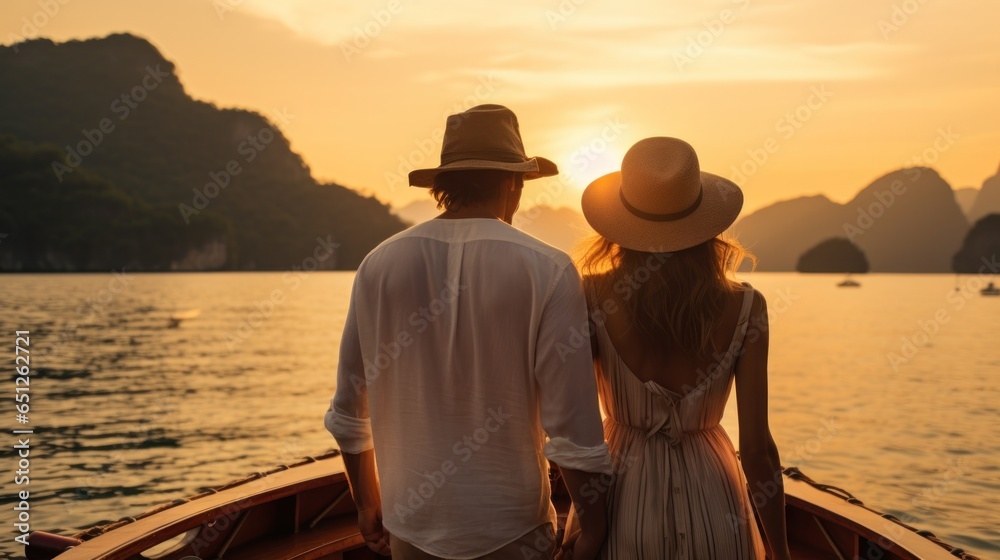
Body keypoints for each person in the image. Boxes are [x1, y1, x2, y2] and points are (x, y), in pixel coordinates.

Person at [325, 104, 613, 560]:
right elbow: (572, 428)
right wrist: (593, 528)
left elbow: (348, 413)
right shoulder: (549, 269)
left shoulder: (378, 264)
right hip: (512, 530)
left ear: (443, 186)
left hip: (410, 530)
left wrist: (366, 504)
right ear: (513, 182)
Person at [571, 137, 791, 559]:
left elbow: (575, 426)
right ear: (706, 224)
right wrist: (780, 551)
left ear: (622, 224)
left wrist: (588, 527)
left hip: (620, 494)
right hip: (715, 500)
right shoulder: (746, 306)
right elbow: (758, 449)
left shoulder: (593, 296)